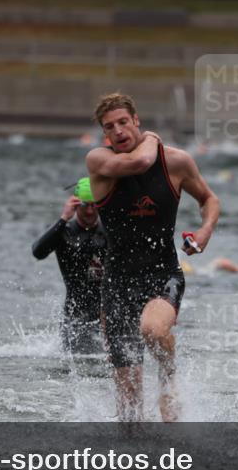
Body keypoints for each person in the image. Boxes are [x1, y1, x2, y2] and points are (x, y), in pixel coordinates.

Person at [87, 93, 221, 422]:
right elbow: (139, 163)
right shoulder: (99, 162)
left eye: (123, 122)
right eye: (110, 127)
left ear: (136, 120)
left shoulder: (176, 162)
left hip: (162, 275)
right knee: (129, 410)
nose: (118, 131)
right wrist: (152, 139)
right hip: (116, 284)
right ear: (105, 135)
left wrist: (205, 231)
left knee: (153, 330)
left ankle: (168, 377)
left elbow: (208, 198)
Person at [32, 178, 107, 354]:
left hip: (108, 314)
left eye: (94, 205)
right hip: (75, 316)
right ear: (75, 205)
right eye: (84, 206)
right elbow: (38, 252)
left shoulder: (109, 232)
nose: (89, 211)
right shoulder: (64, 232)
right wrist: (63, 218)